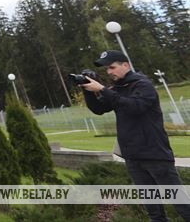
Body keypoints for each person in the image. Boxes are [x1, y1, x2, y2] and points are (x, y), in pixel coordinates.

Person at [81, 50, 190, 222]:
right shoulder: (117, 89)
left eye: (112, 67)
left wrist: (102, 89)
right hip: (132, 156)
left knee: (180, 202)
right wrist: (87, 90)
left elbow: (135, 107)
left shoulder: (142, 84)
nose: (109, 72)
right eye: (106, 69)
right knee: (153, 209)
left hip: (155, 154)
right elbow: (99, 109)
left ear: (126, 65)